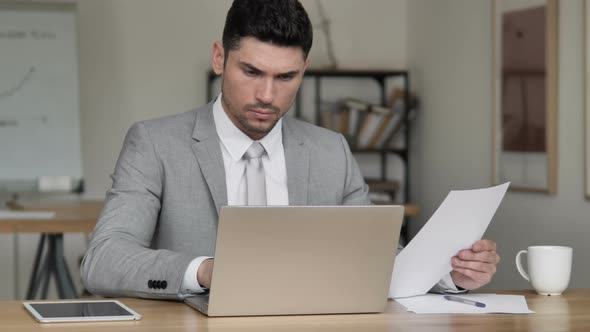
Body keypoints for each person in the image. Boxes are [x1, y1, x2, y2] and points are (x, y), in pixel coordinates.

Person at [80, 0, 499, 299]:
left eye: (286, 77)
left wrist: (454, 275)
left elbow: (380, 260)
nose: (267, 94)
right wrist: (205, 271)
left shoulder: (331, 150)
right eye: (251, 71)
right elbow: (104, 259)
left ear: (305, 70)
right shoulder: (154, 144)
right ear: (219, 58)